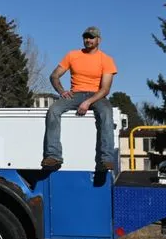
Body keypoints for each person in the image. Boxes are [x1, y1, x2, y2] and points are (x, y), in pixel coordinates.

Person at [41, 26, 118, 171]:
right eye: (86, 37)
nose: (88, 40)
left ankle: (106, 158)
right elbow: (54, 76)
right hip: (75, 94)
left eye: (92, 37)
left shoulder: (106, 60)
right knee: (53, 110)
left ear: (98, 40)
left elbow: (105, 89)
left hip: (97, 96)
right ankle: (53, 156)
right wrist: (62, 91)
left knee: (106, 113)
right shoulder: (72, 55)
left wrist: (88, 102)